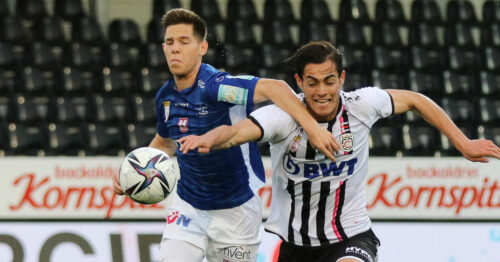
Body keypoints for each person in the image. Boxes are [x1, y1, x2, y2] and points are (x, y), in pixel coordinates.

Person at [178, 41, 500, 262]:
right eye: (313, 82)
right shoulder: (282, 117)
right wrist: (211, 139)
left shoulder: (362, 106)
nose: (322, 91)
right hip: (295, 247)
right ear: (299, 82)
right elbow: (237, 132)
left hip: (351, 237)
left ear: (341, 79)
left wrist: (463, 142)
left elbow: (415, 99)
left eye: (330, 81)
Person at [111, 9, 339, 262]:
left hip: (236, 212)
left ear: (202, 47)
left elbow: (276, 88)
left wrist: (313, 128)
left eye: (184, 42)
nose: (175, 48)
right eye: (170, 42)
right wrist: (133, 171)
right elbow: (165, 143)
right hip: (189, 208)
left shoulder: (217, 87)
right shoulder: (165, 96)